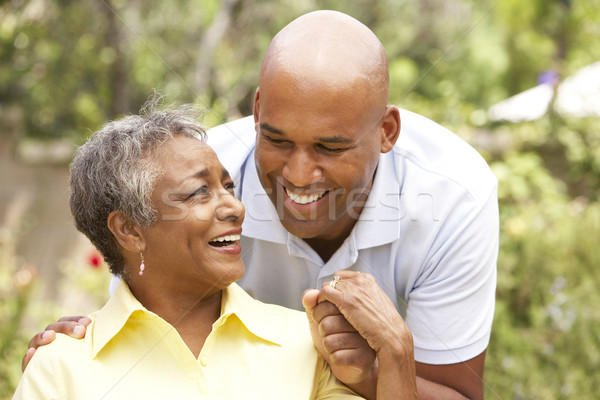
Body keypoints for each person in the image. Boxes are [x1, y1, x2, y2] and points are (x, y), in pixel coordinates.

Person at [23, 10, 497, 400]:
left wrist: (380, 365)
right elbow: (143, 299)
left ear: (387, 132)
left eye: (330, 148)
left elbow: (457, 392)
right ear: (255, 112)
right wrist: (75, 351)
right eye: (276, 139)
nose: (298, 173)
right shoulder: (202, 166)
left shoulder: (454, 195)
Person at [14, 100, 416, 399]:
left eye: (228, 186)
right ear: (130, 229)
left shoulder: (307, 345)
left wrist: (396, 352)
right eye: (198, 192)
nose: (235, 207)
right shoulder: (60, 368)